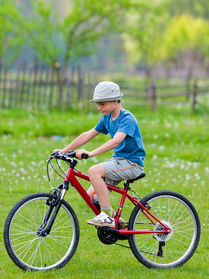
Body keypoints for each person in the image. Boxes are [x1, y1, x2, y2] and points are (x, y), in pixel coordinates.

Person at [55, 81, 145, 228]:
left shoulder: (127, 118)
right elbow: (87, 135)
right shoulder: (107, 118)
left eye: (102, 104)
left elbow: (115, 142)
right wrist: (63, 151)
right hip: (118, 162)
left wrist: (90, 153)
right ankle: (117, 222)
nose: (98, 107)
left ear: (116, 100)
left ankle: (106, 216)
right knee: (91, 196)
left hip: (132, 163)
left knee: (94, 171)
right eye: (97, 104)